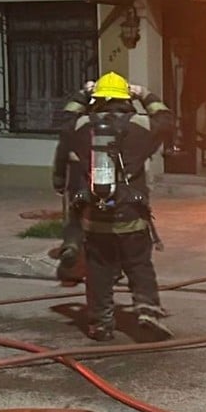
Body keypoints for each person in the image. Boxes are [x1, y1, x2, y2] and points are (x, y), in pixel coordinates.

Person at [66, 71, 174, 342]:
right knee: (139, 264)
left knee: (99, 270)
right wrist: (144, 93)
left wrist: (83, 93)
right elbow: (166, 119)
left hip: (96, 215)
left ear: (98, 99)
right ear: (126, 99)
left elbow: (65, 119)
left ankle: (101, 324)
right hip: (131, 213)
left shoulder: (82, 126)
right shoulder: (142, 126)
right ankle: (147, 310)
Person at [51, 80, 95, 285]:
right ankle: (108, 269)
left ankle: (71, 247)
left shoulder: (75, 126)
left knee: (75, 219)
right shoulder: (115, 124)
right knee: (103, 225)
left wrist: (59, 180)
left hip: (78, 179)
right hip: (105, 179)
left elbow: (62, 152)